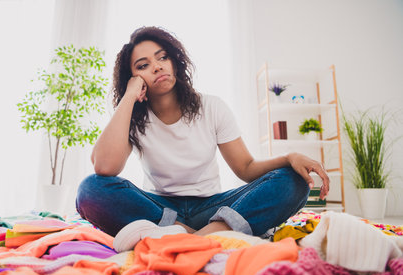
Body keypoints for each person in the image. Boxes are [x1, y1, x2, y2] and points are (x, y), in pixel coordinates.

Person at [76, 26, 329, 252]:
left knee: (293, 181)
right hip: (160, 211)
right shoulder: (132, 116)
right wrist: (129, 96)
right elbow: (104, 167)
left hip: (213, 208)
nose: (157, 66)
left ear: (175, 61)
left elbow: (246, 168)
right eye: (143, 65)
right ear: (133, 77)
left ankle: (194, 237)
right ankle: (199, 236)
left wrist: (289, 158)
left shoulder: (212, 107)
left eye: (163, 57)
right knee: (89, 189)